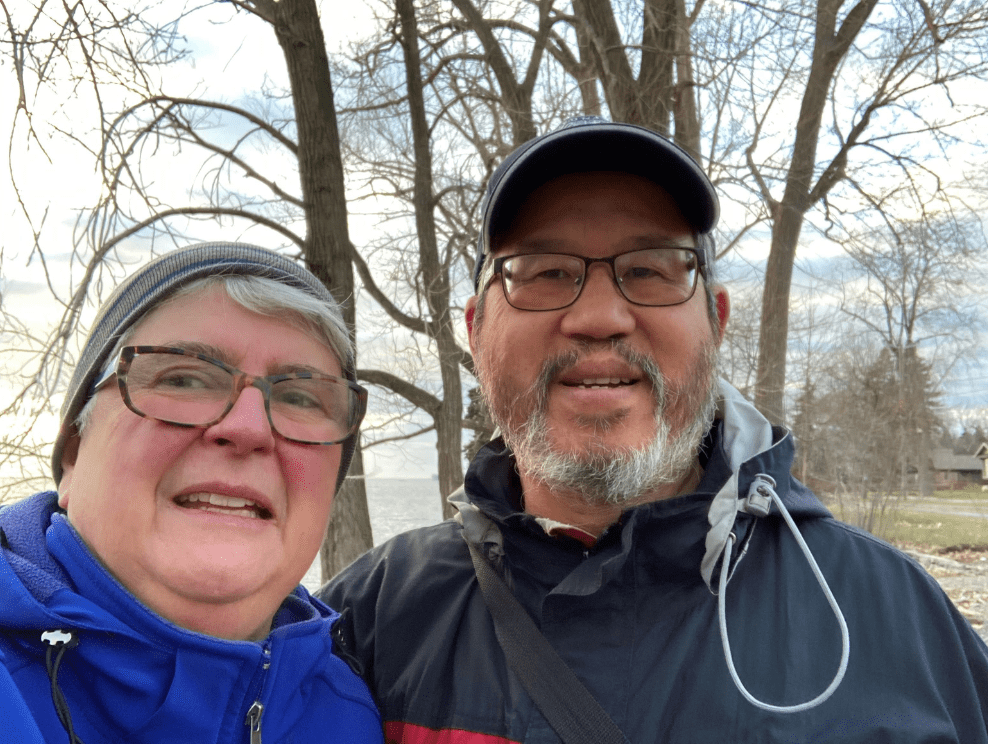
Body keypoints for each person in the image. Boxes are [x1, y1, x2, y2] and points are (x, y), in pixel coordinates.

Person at [320, 117, 988, 743]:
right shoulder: (366, 628)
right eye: (546, 272)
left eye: (649, 269)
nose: (600, 317)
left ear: (716, 323)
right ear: (475, 331)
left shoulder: (893, 622)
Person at [0, 243, 383, 743]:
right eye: (183, 379)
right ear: (72, 454)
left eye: (301, 398)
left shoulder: (354, 711)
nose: (248, 428)